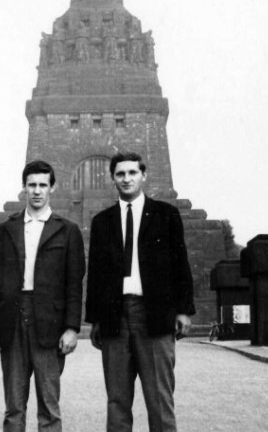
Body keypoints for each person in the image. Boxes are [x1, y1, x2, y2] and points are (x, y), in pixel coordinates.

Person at [85, 152, 195, 432]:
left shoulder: (166, 215)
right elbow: (95, 273)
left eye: (132, 173)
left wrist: (183, 310)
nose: (126, 179)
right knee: (117, 400)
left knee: (159, 398)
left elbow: (180, 264)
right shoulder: (102, 221)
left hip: (154, 314)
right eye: (120, 174)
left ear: (143, 175)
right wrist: (95, 319)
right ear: (113, 178)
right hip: (115, 316)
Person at [0, 160, 85, 432]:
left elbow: (74, 284)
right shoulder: (7, 229)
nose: (37, 191)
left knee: (49, 407)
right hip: (12, 320)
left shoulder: (67, 230)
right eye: (32, 185)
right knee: (14, 407)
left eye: (43, 185)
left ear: (52, 187)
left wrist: (71, 328)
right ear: (24, 188)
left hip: (49, 323)